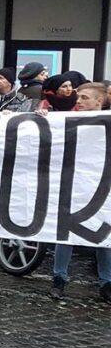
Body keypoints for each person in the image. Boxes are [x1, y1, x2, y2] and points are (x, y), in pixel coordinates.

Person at [48, 82, 111, 304]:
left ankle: (106, 283)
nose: (79, 101)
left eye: (84, 98)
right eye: (78, 97)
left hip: (102, 184)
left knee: (104, 233)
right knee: (66, 233)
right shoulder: (66, 120)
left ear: (98, 102)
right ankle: (59, 278)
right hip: (74, 183)